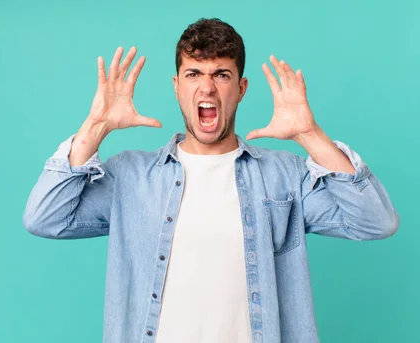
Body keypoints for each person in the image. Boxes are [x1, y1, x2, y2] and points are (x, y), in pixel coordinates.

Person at [23, 18, 399, 343]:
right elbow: (45, 217)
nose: (207, 88)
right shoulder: (131, 177)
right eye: (194, 74)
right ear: (176, 86)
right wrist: (96, 128)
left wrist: (311, 134)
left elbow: (376, 221)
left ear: (241, 88)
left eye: (222, 74)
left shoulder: (284, 176)